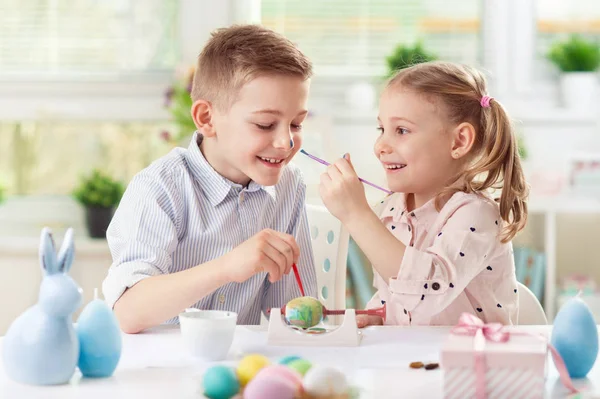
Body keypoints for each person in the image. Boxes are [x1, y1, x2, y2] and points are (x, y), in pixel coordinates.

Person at [102, 24, 317, 333]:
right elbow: (128, 312)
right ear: (206, 118)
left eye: (296, 124)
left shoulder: (290, 186)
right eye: (266, 124)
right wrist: (227, 267)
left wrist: (334, 321)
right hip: (159, 368)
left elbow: (291, 314)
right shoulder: (160, 188)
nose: (286, 142)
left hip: (236, 367)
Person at [318, 61, 528, 326]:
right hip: (414, 360)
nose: (380, 146)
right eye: (381, 129)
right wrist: (379, 317)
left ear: (459, 141)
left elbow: (427, 292)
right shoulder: (394, 208)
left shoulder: (476, 215)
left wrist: (357, 215)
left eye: (402, 130)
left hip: (472, 362)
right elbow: (395, 294)